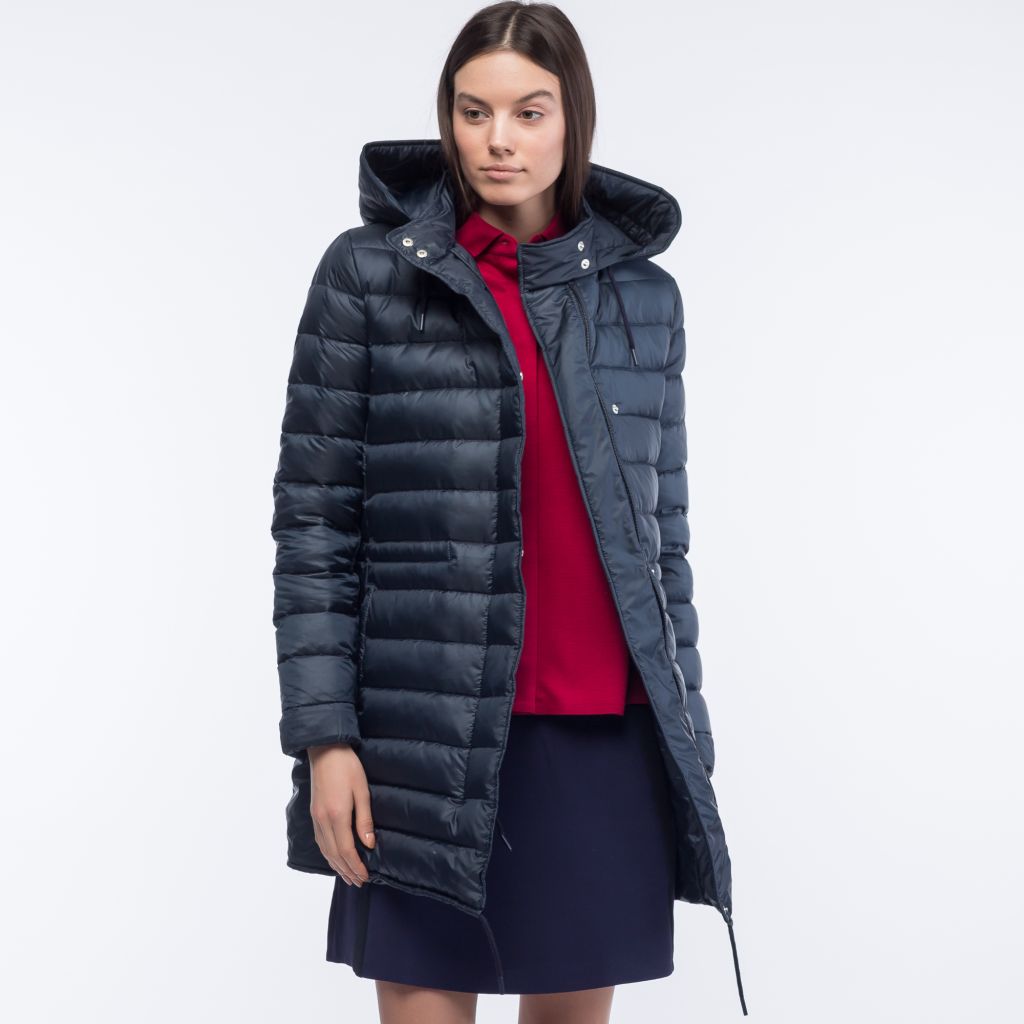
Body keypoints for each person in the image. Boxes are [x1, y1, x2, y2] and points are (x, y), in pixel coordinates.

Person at [270, 3, 745, 1022]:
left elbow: (662, 544)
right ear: (447, 118)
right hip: (422, 735)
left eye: (529, 112)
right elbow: (315, 525)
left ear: (573, 119)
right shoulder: (369, 275)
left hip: (599, 738)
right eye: (472, 111)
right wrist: (325, 738)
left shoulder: (644, 299)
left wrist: (688, 741)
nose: (498, 140)